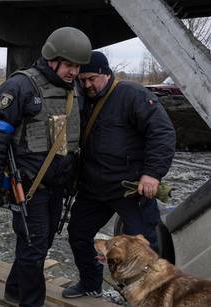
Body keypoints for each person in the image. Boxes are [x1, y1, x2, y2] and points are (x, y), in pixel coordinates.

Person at [0, 27, 92, 306]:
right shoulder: (20, 87)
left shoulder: (74, 89)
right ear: (52, 59)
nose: (73, 72)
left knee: (39, 245)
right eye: (68, 65)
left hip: (59, 185)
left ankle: (14, 289)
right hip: (29, 186)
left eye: (78, 67)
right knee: (34, 247)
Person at [61, 51, 176, 299]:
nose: (87, 85)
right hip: (93, 187)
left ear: (106, 73)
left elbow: (162, 133)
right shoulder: (81, 97)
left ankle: (152, 298)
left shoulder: (133, 95)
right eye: (82, 80)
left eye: (91, 78)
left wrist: (152, 174)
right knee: (79, 234)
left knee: (145, 247)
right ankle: (90, 283)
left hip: (130, 188)